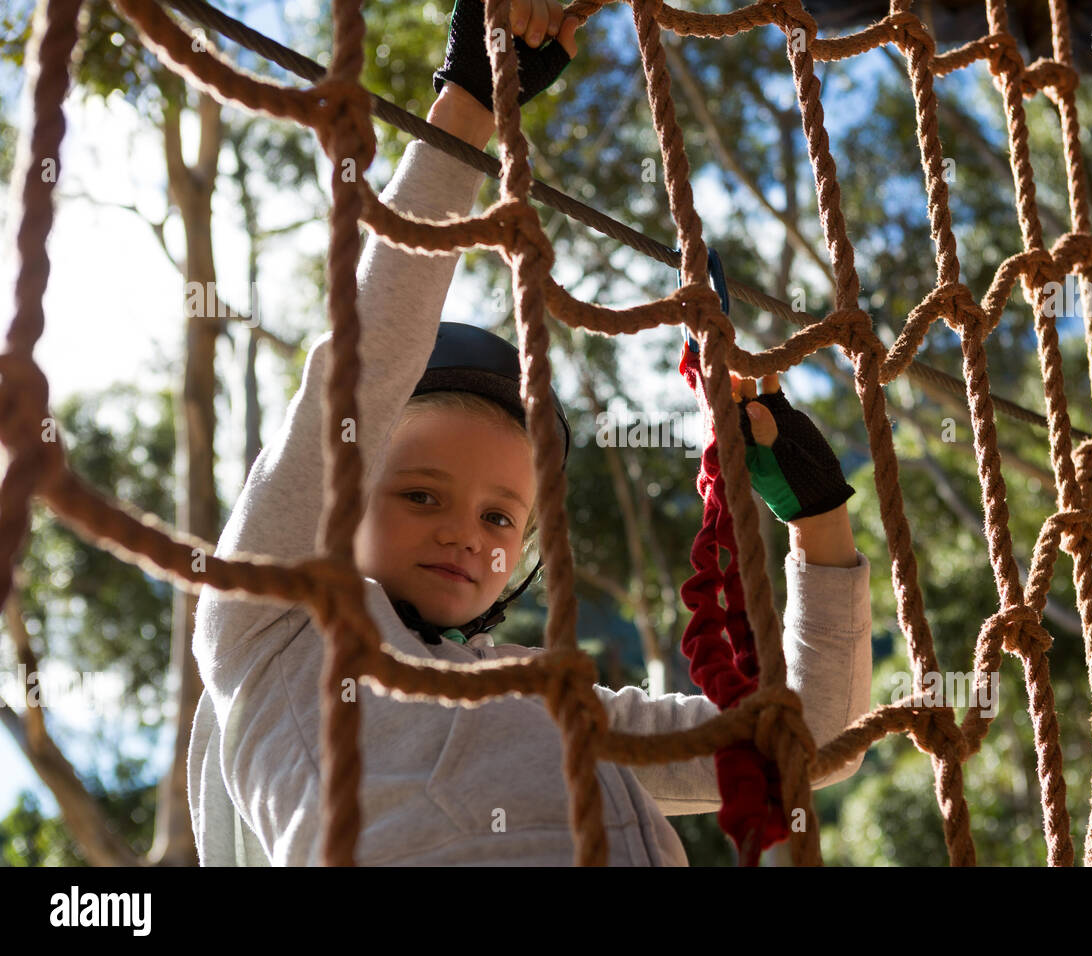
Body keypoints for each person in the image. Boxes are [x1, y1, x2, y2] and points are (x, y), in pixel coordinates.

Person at [186, 0, 873, 866]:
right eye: (421, 493)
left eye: (500, 518)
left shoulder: (565, 708)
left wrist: (819, 523)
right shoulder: (273, 627)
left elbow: (809, 742)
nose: (463, 535)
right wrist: (469, 105)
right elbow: (366, 357)